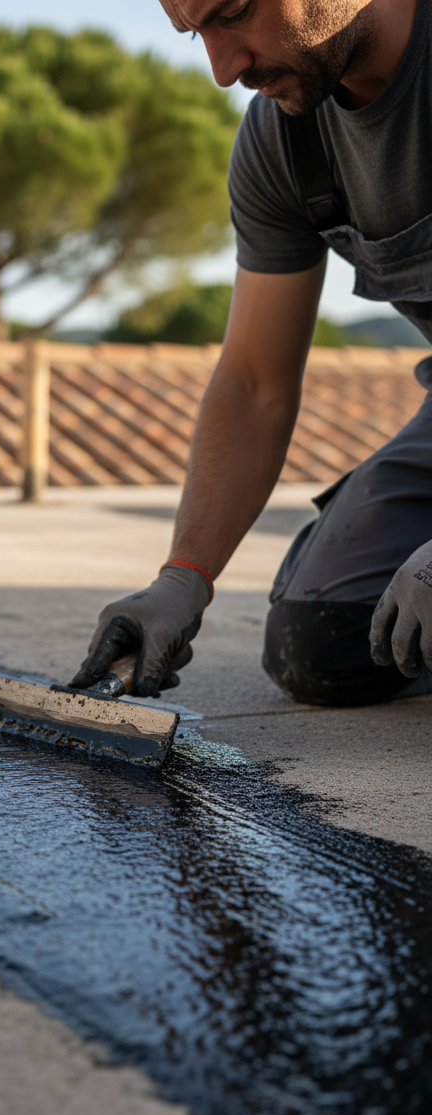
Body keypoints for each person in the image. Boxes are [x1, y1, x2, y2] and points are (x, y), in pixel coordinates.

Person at [72, 0, 432, 708]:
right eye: (196, 32)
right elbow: (254, 383)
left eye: (235, 12)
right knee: (323, 642)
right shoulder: (286, 144)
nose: (222, 68)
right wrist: (184, 575)